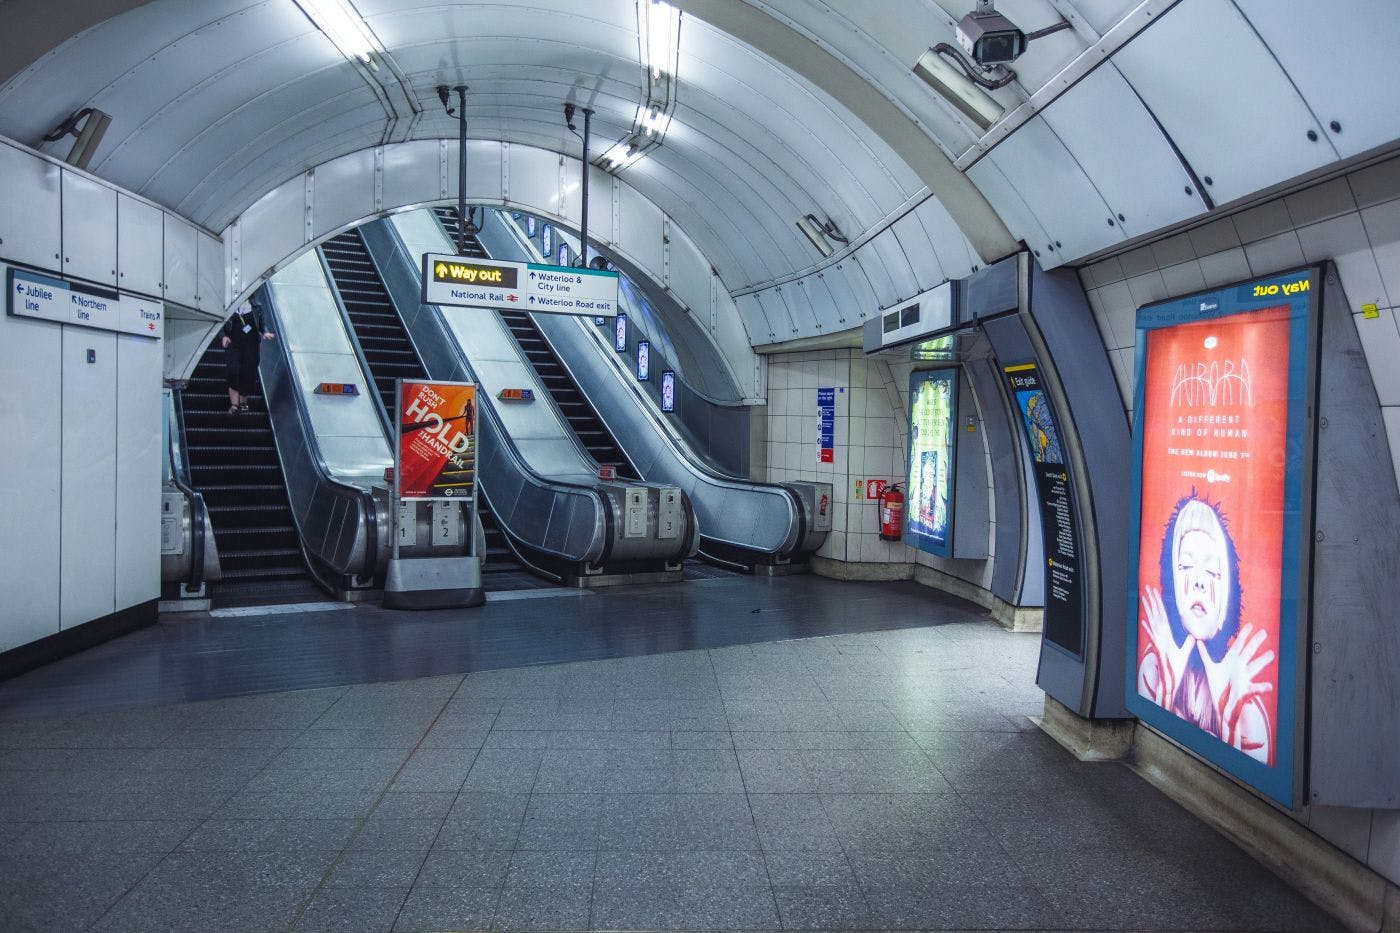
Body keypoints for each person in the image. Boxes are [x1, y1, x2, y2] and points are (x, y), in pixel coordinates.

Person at [1137, 492, 1274, 764]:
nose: (1198, 581)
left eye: (1212, 572)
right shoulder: (1154, 669)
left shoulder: (1245, 701)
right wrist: (1165, 686)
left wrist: (1233, 716)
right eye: (1186, 566)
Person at [221, 300, 275, 413]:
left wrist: (265, 332)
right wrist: (224, 336)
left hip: (251, 344)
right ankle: (234, 404)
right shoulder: (227, 305)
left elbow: (261, 323)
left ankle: (243, 402)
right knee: (233, 370)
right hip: (233, 343)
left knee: (248, 372)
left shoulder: (256, 306)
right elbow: (220, 322)